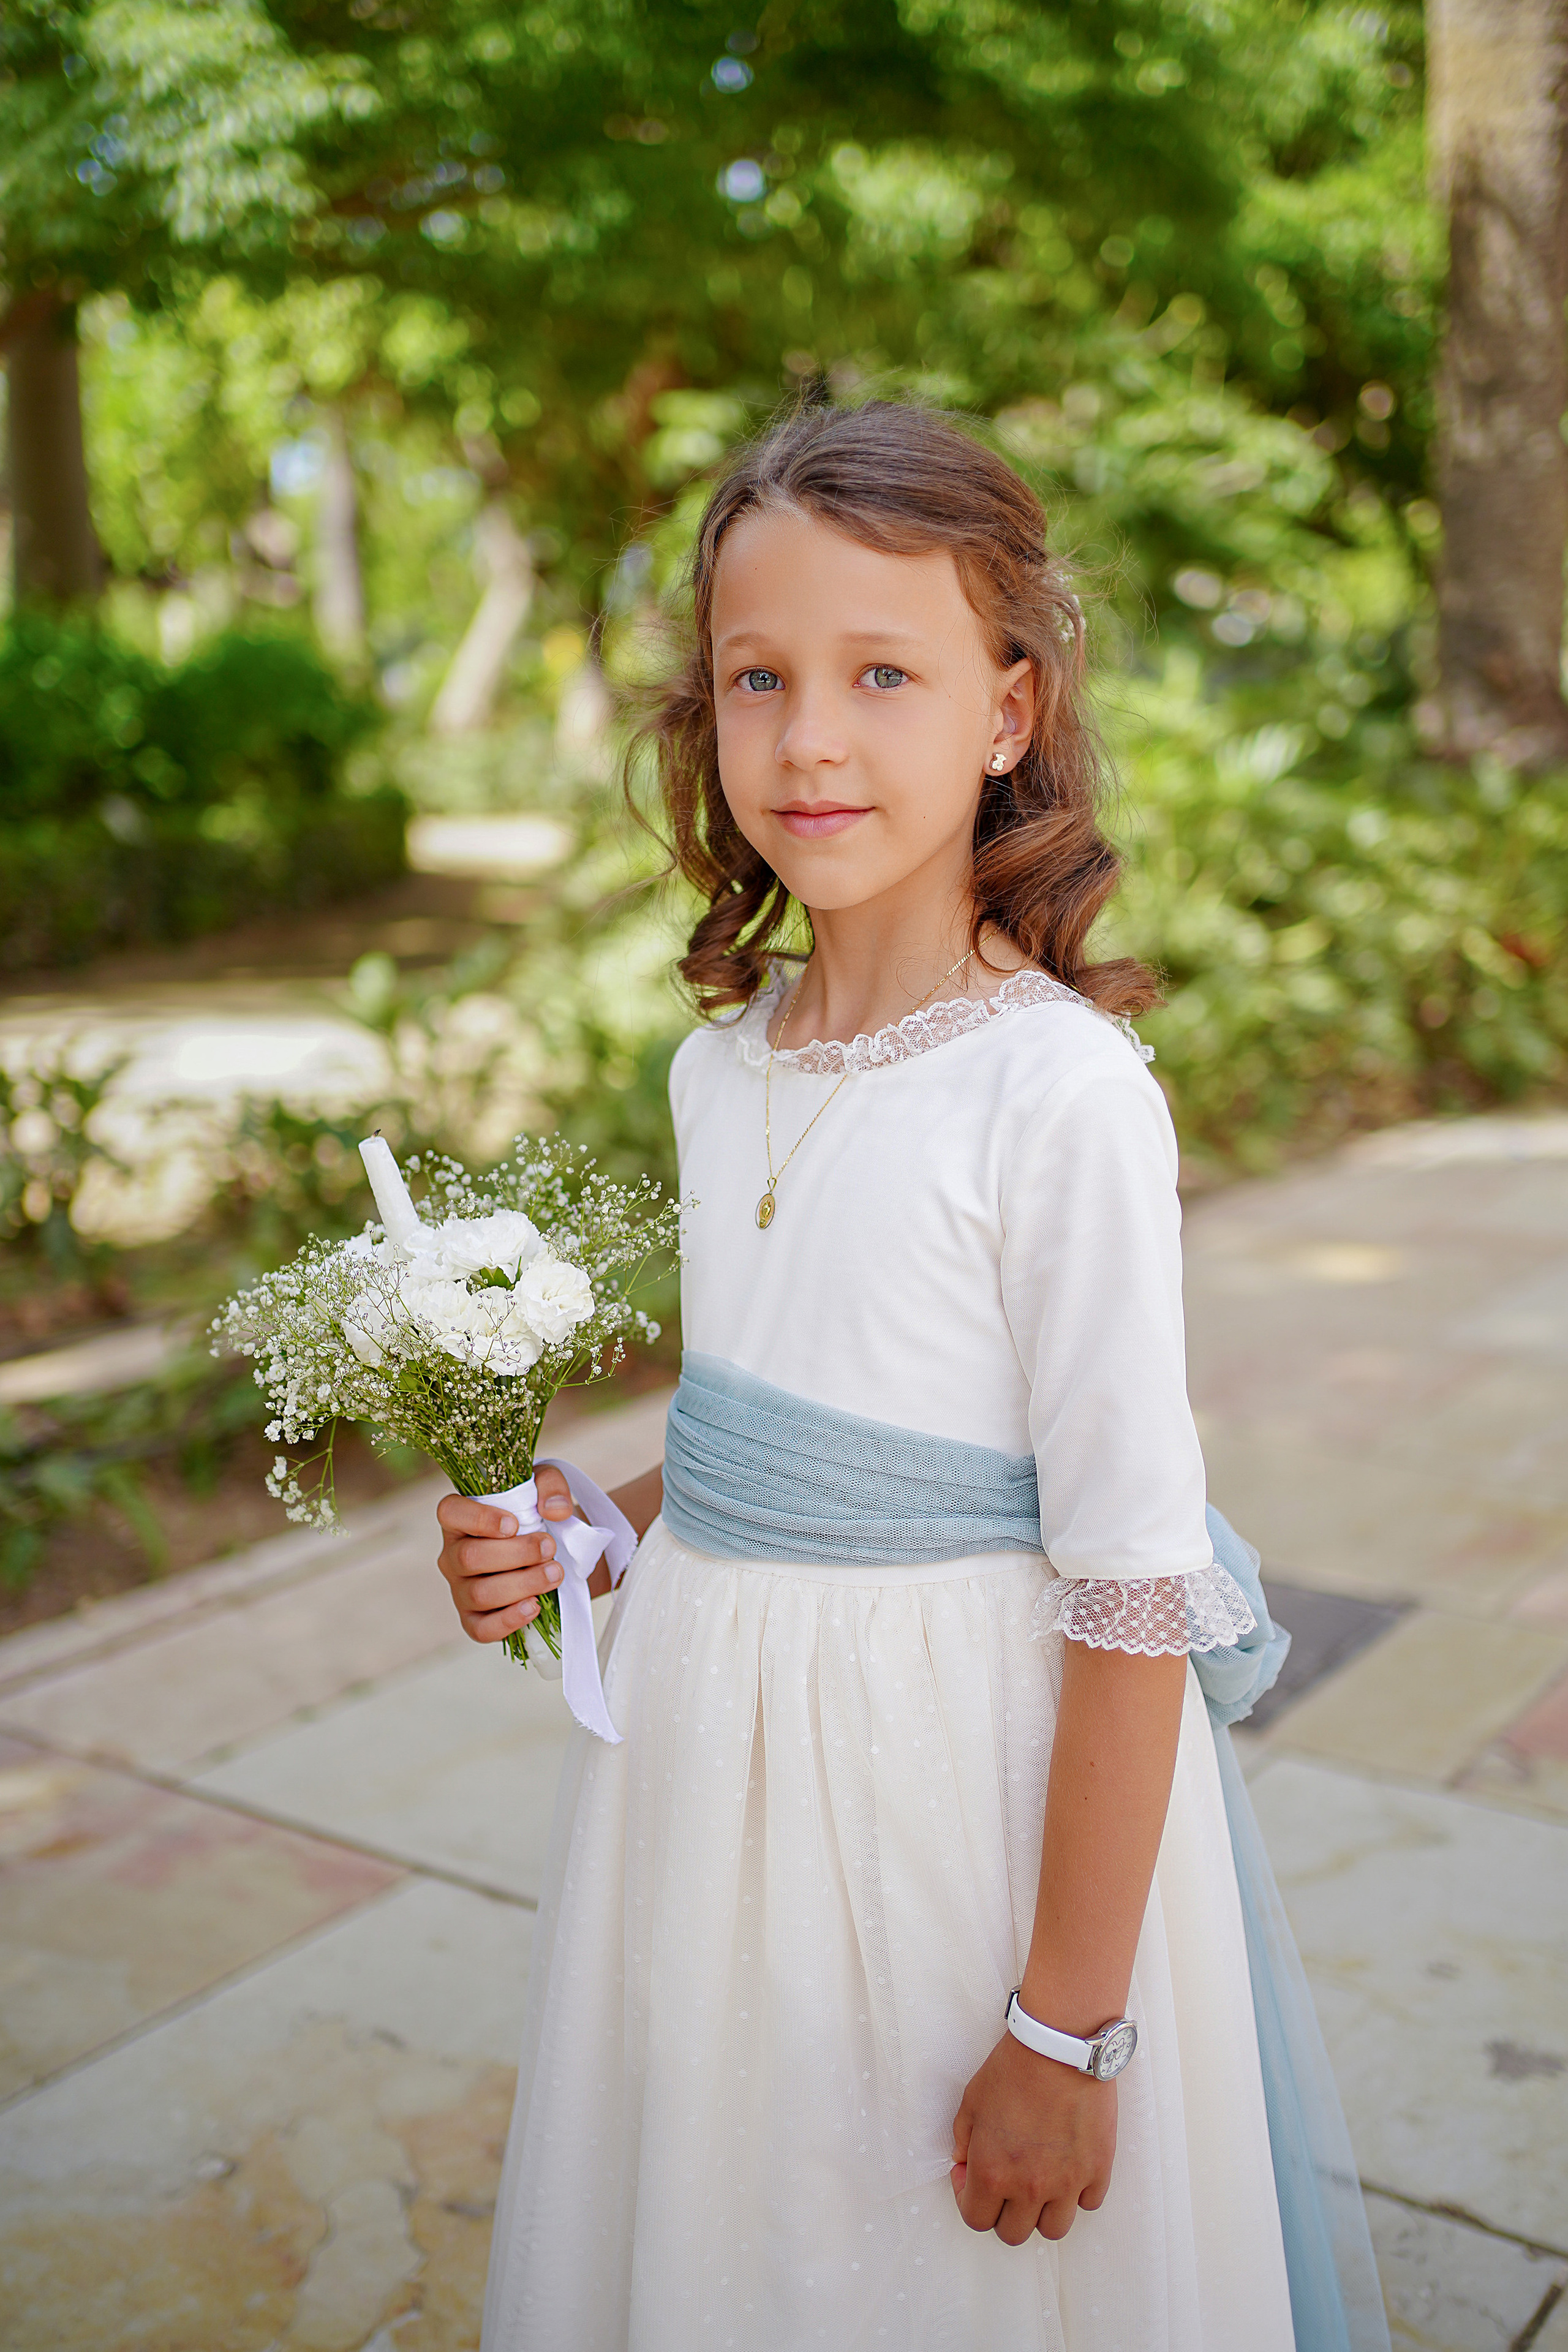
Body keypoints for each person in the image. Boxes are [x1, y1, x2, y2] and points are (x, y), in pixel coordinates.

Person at [435, 400, 1386, 2351]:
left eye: (885, 673)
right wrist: (589, 1530)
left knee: (937, 2266)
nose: (810, 739)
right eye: (757, 678)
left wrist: (1064, 2023)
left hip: (957, 1792)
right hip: (719, 1787)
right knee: (747, 2224)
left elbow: (1133, 1594)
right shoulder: (724, 1069)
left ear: (1010, 710)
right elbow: (771, 1430)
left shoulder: (1059, 1096)